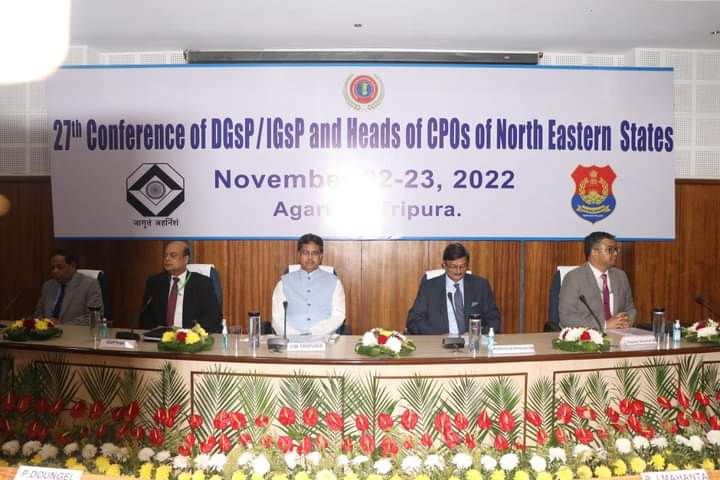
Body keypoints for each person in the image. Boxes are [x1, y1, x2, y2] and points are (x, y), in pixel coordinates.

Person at [406, 242, 501, 335]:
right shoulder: (429, 288)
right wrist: (437, 335)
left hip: (471, 342)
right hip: (439, 341)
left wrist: (476, 334)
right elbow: (414, 320)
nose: (458, 271)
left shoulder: (480, 285)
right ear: (444, 265)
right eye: (453, 267)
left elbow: (494, 319)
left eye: (463, 266)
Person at [558, 231, 636, 330]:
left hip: (620, 333)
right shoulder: (573, 278)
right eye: (610, 250)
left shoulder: (621, 276)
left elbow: (630, 309)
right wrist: (604, 325)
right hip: (589, 334)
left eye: (616, 249)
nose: (616, 253)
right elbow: (566, 317)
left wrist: (627, 321)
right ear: (594, 252)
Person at [139, 241, 221, 333]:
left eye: (173, 255)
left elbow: (213, 316)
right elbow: (145, 316)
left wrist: (188, 332)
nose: (167, 259)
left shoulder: (202, 282)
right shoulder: (155, 282)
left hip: (191, 336)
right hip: (161, 337)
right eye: (165, 256)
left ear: (186, 259)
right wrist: (155, 330)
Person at [271, 233, 345, 336]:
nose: (310, 257)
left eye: (315, 253)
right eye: (305, 253)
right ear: (299, 255)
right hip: (290, 340)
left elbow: (338, 316)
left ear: (321, 256)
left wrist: (314, 333)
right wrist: (295, 336)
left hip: (324, 339)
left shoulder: (335, 283)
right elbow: (277, 317)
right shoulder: (283, 283)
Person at [34, 249, 103, 324]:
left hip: (73, 330)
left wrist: (63, 325)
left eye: (60, 267)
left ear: (72, 266)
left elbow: (94, 316)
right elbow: (38, 315)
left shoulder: (90, 284)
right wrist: (44, 323)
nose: (55, 271)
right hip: (48, 330)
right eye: (53, 268)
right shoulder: (48, 286)